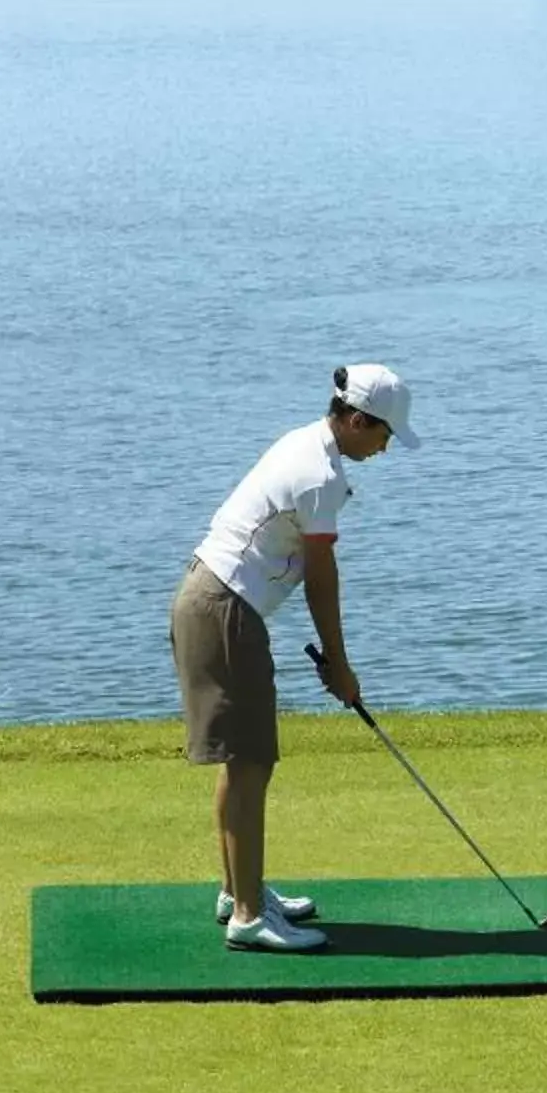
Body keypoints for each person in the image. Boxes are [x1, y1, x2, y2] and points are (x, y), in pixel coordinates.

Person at [170, 361, 421, 950]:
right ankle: (249, 917)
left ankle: (240, 889)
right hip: (224, 609)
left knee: (245, 758)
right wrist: (340, 663)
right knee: (251, 760)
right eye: (384, 434)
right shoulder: (319, 476)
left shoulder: (306, 442)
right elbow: (320, 577)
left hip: (215, 601)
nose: (386, 447)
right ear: (358, 420)